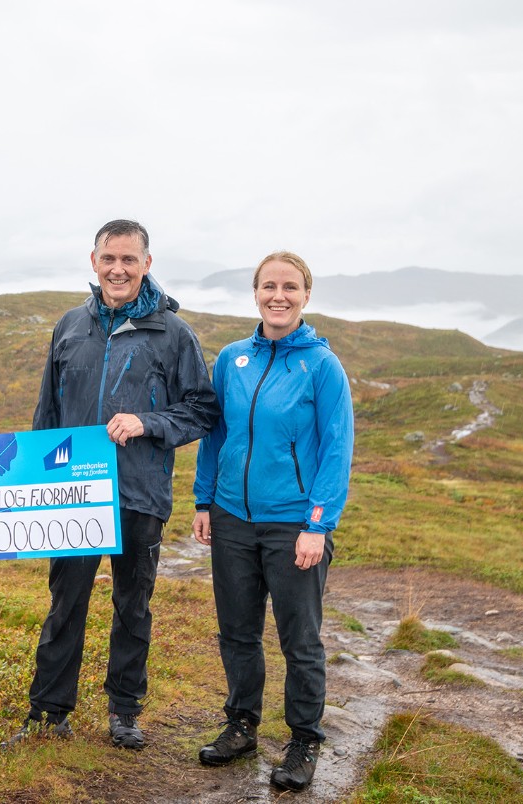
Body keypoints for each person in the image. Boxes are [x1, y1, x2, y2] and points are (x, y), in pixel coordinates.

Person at [9, 219, 219, 749]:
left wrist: (147, 424)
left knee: (133, 606)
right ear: (93, 261)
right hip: (73, 495)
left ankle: (125, 711)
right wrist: (36, 489)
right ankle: (49, 710)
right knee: (66, 603)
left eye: (129, 259)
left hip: (139, 496)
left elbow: (201, 410)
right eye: (109, 258)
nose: (118, 269)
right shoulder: (69, 327)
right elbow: (47, 414)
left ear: (147, 264)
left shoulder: (174, 334)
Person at [191, 250, 353, 793]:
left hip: (293, 524)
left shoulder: (322, 366)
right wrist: (203, 501)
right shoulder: (233, 358)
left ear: (306, 296)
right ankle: (241, 725)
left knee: (299, 639)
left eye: (289, 287)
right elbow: (217, 435)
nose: (277, 296)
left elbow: (336, 449)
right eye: (268, 286)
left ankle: (304, 739)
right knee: (237, 632)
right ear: (255, 292)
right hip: (232, 518)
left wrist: (319, 524)